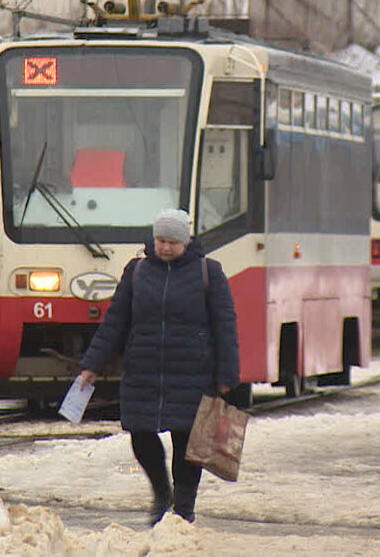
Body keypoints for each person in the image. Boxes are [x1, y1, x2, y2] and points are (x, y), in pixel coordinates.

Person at [76, 207, 239, 526]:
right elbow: (115, 321)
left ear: (186, 242)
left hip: (192, 371)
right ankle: (162, 492)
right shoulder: (137, 271)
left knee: (188, 443)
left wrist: (227, 375)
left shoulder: (209, 272)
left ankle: (184, 507)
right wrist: (91, 364)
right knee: (140, 433)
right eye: (161, 240)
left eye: (172, 242)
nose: (165, 247)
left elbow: (225, 325)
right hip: (143, 370)